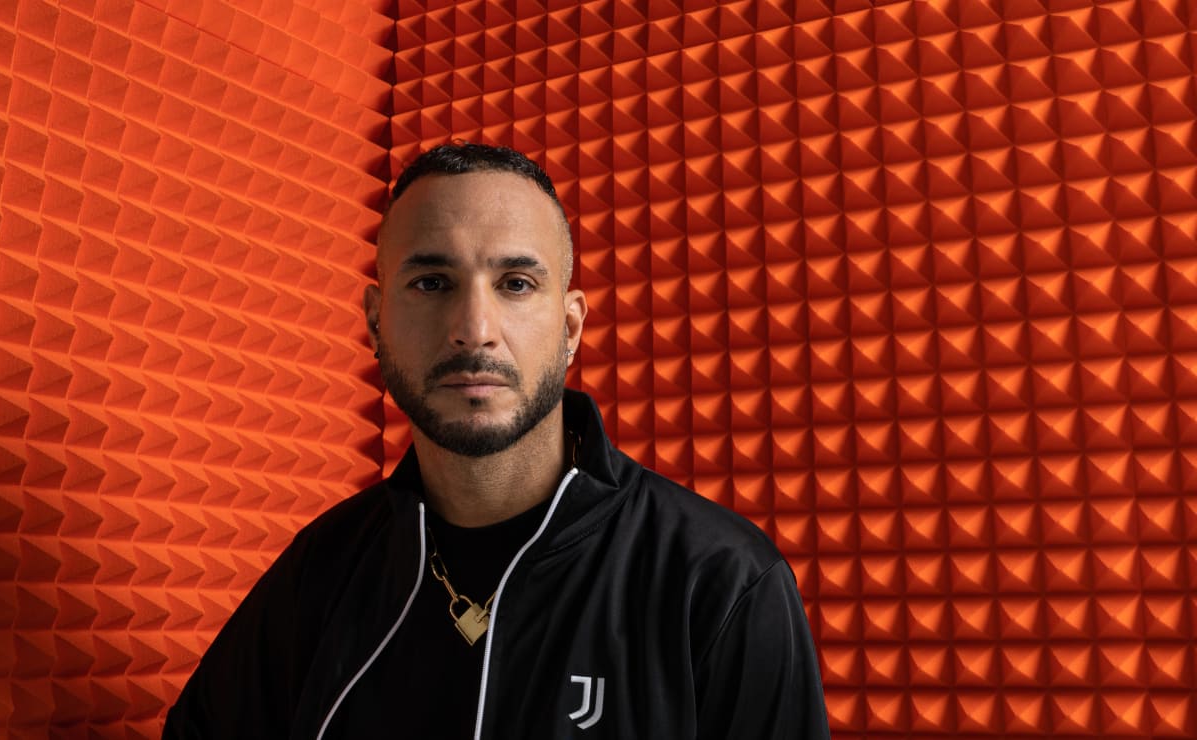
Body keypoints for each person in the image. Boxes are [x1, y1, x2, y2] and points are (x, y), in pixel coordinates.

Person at [163, 143, 830, 739]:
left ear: (570, 328)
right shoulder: (321, 570)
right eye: (431, 283)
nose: (474, 328)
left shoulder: (720, 581)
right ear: (376, 322)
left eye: (516, 284)